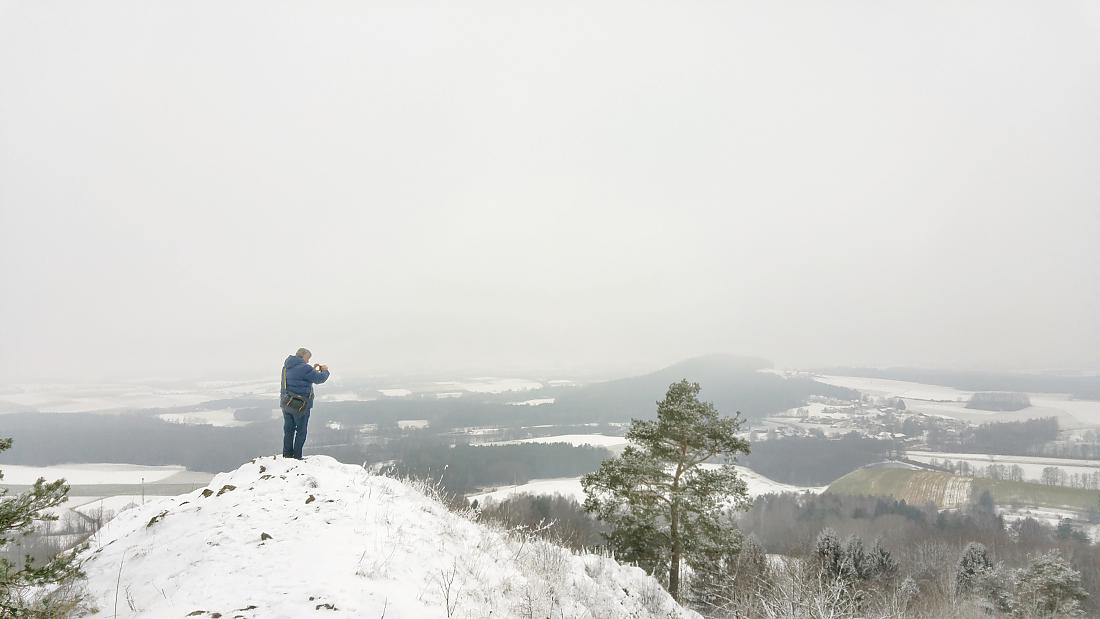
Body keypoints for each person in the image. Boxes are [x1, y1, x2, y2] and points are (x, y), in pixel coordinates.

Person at [280, 347, 330, 459]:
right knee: (301, 431)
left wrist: (312, 369)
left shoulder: (286, 367)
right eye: (308, 358)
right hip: (300, 406)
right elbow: (319, 379)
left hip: (287, 403)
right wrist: (325, 370)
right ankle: (297, 457)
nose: (308, 361)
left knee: (289, 430)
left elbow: (300, 378)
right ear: (303, 356)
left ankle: (287, 455)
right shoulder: (304, 368)